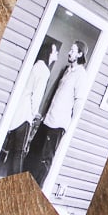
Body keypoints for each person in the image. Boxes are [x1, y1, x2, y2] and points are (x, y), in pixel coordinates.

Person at [24, 40, 88, 187]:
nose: (69, 52)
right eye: (70, 50)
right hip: (48, 120)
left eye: (72, 50)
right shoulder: (67, 70)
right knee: (33, 152)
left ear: (80, 54)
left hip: (58, 125)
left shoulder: (81, 75)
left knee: (44, 161)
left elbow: (79, 103)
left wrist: (68, 125)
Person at [0, 42, 59, 177]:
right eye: (54, 51)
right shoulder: (44, 70)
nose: (57, 53)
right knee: (19, 152)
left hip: (18, 112)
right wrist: (34, 113)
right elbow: (36, 96)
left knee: (13, 150)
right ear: (49, 53)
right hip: (25, 115)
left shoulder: (37, 65)